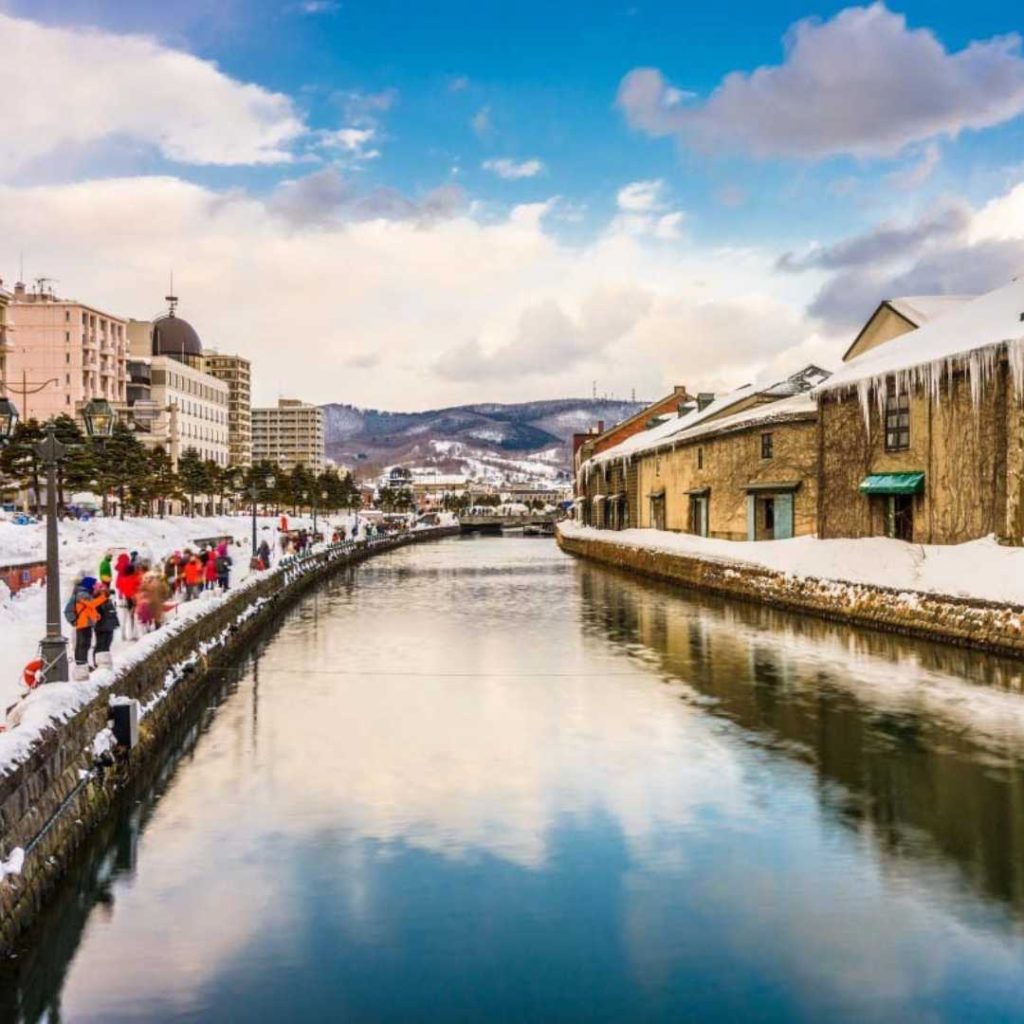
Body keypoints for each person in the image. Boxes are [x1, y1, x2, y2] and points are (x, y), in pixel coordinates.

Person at [64, 575, 102, 681]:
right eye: (94, 585)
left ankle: (82, 666)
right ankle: (82, 667)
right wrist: (103, 596)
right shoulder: (83, 594)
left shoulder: (82, 593)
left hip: (85, 623)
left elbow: (89, 609)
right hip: (83, 624)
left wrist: (95, 617)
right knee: (83, 645)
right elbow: (92, 604)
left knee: (83, 645)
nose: (95, 587)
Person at [93, 580, 119, 668]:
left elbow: (112, 612)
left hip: (109, 626)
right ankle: (97, 663)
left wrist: (115, 622)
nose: (105, 591)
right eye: (102, 589)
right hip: (101, 626)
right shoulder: (97, 600)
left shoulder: (107, 599)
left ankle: (104, 662)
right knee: (101, 645)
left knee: (107, 644)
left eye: (105, 590)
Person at [115, 558, 141, 641]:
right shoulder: (135, 579)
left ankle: (124, 634)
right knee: (133, 617)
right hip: (133, 599)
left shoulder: (122, 579)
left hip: (124, 599)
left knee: (125, 617)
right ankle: (134, 634)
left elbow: (118, 586)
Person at [140, 566, 170, 631]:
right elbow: (165, 590)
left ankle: (154, 628)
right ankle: (155, 628)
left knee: (155, 616)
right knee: (155, 616)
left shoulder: (155, 582)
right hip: (155, 601)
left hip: (154, 601)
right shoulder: (159, 582)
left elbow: (164, 590)